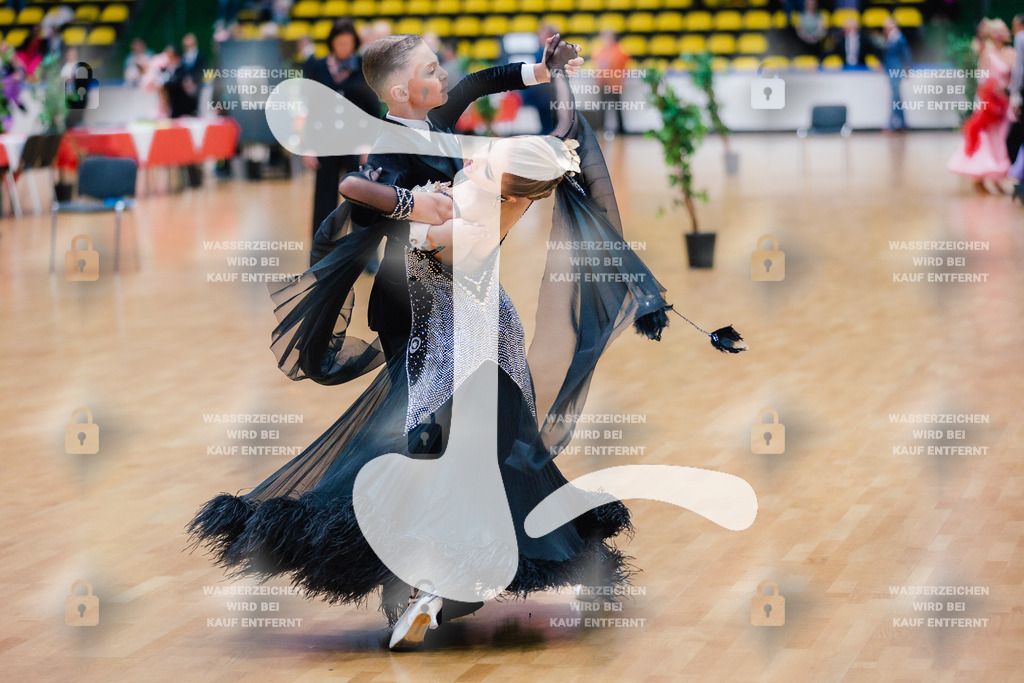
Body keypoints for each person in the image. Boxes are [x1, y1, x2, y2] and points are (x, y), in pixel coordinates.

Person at [187, 34, 695, 651]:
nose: (445, 75)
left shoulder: (436, 119)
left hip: (470, 292)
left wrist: (540, 69)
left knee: (489, 431)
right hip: (423, 301)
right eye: (432, 69)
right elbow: (352, 187)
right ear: (402, 91)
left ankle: (462, 571)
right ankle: (433, 570)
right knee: (442, 433)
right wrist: (411, 201)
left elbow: (482, 82)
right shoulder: (392, 145)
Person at [303, 20, 381, 238]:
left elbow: (373, 110)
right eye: (340, 43)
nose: (344, 47)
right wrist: (307, 146)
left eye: (348, 43)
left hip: (357, 143)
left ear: (354, 43)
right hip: (325, 143)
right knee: (324, 200)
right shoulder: (316, 68)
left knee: (361, 200)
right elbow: (309, 109)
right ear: (332, 43)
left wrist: (369, 146)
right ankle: (322, 249)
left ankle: (365, 254)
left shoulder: (364, 67)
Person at [948, 18, 1016, 194]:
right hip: (990, 104)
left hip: (1006, 105)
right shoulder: (987, 54)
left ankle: (998, 177)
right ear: (994, 35)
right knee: (987, 140)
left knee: (1002, 141)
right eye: (1002, 29)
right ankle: (980, 178)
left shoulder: (1010, 52)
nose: (1007, 31)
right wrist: (992, 95)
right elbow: (982, 80)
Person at [593, 30, 629, 138]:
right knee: (602, 108)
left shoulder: (619, 50)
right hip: (603, 82)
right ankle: (601, 129)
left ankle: (621, 129)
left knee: (617, 107)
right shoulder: (600, 50)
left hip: (615, 83)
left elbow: (623, 64)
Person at [881, 16, 912, 132]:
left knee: (895, 98)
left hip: (896, 71)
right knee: (897, 98)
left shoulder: (899, 39)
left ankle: (892, 124)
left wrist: (907, 69)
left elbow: (906, 55)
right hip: (891, 70)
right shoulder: (892, 38)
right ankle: (902, 123)